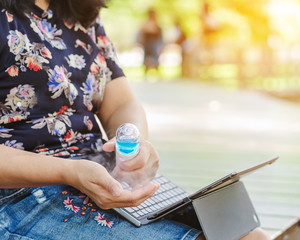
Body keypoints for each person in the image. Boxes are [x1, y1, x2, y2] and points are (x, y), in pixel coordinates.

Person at [0, 0, 270, 239]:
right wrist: (69, 171)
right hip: (21, 194)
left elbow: (122, 103)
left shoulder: (84, 15)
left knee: (247, 235)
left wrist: (133, 141)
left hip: (99, 170)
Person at [137, 8, 163, 74]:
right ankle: (146, 70)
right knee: (147, 56)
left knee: (155, 56)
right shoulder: (145, 23)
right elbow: (141, 33)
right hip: (147, 42)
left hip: (154, 42)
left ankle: (156, 70)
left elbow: (159, 35)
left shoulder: (157, 23)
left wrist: (160, 45)